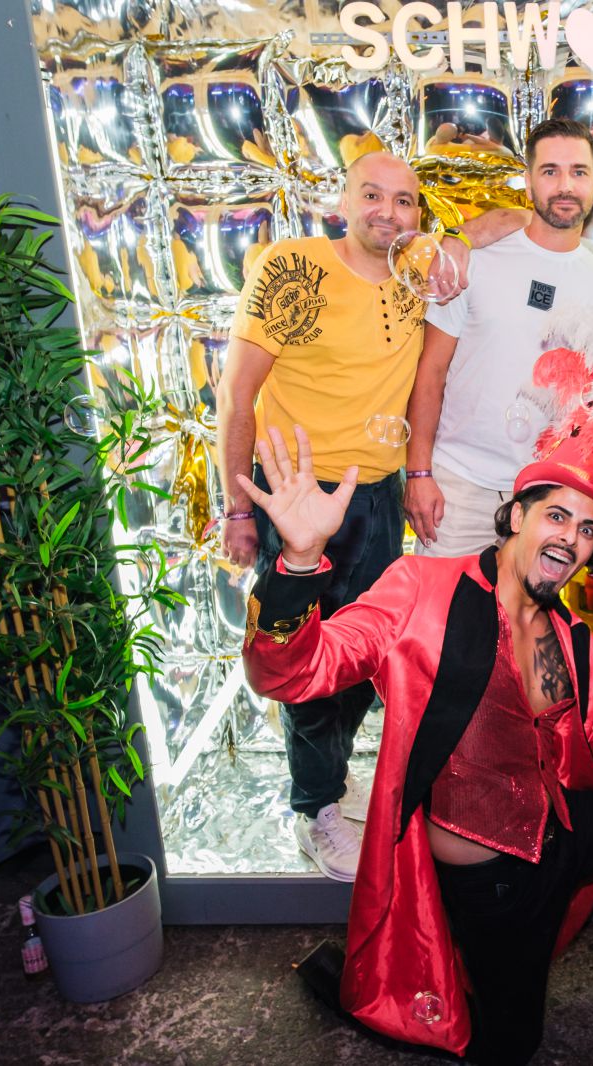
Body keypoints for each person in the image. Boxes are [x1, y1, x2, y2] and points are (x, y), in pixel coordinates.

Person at [240, 427, 593, 1065]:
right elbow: (290, 675)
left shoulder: (573, 637)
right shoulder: (421, 589)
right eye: (557, 516)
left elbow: (590, 759)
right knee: (511, 1047)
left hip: (564, 830)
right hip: (492, 882)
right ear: (513, 518)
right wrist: (297, 565)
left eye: (588, 529)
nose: (571, 537)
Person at [216, 151, 517, 881]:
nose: (388, 211)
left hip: (376, 495)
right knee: (301, 654)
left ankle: (330, 773)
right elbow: (236, 392)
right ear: (343, 201)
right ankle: (316, 806)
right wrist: (237, 507)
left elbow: (512, 216)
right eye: (373, 195)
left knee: (363, 653)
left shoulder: (418, 269)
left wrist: (455, 240)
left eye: (404, 201)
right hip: (299, 497)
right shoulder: (294, 268)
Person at [404, 118, 593, 557]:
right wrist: (418, 473)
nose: (565, 185)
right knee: (440, 602)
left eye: (579, 172)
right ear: (528, 182)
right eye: (550, 171)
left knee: (522, 606)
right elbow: (431, 370)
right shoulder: (475, 260)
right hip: (457, 488)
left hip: (544, 496)